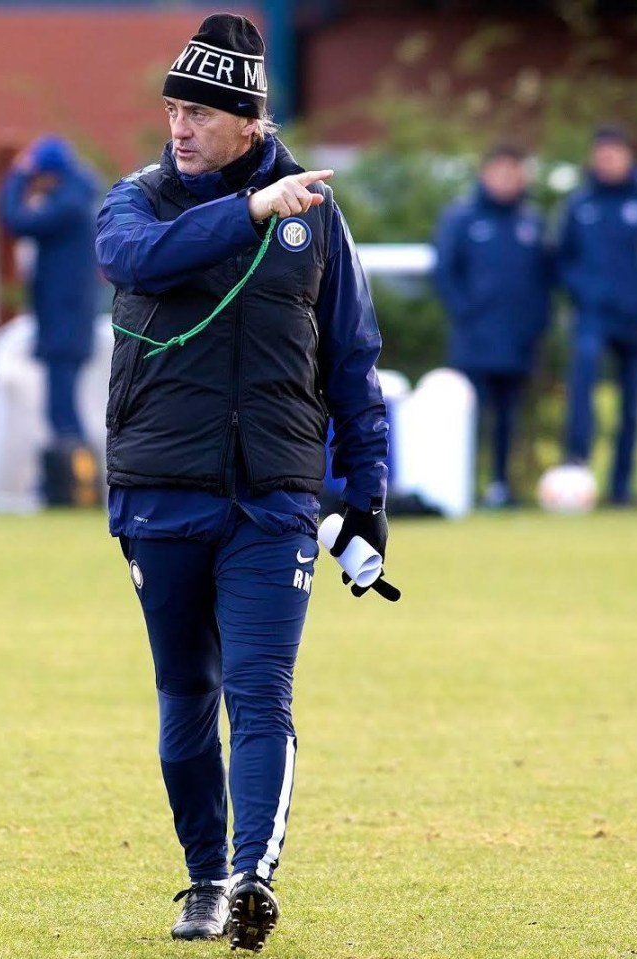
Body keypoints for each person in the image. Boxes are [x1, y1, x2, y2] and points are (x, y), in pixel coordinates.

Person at [95, 13, 396, 952]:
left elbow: (352, 359)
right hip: (160, 496)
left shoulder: (317, 219)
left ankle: (249, 877)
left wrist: (368, 496)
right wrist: (256, 210)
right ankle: (201, 876)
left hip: (274, 500)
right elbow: (135, 262)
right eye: (173, 107)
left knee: (260, 692)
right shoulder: (135, 201)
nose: (179, 126)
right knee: (187, 693)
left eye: (199, 111)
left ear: (251, 122)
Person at [556, 125, 637, 505]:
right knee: (583, 381)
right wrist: (583, 292)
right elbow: (562, 259)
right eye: (601, 155)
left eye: (614, 154)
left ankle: (620, 488)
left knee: (631, 405)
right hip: (593, 315)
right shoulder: (580, 204)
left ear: (627, 156)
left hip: (636, 317)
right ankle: (575, 471)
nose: (607, 162)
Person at [433, 143, 552, 507]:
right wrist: (466, 312)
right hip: (474, 339)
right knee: (470, 418)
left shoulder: (532, 221)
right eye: (499, 171)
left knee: (508, 419)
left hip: (518, 340)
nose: (505, 179)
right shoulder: (461, 218)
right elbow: (444, 273)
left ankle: (501, 487)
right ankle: (462, 489)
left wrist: (535, 325)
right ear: (485, 174)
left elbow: (545, 280)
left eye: (512, 172)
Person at [0, 135, 99, 448]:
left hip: (63, 321)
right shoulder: (76, 195)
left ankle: (73, 483)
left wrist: (17, 176)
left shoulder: (67, 203)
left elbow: (15, 220)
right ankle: (72, 481)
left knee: (62, 413)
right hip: (67, 318)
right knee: (61, 409)